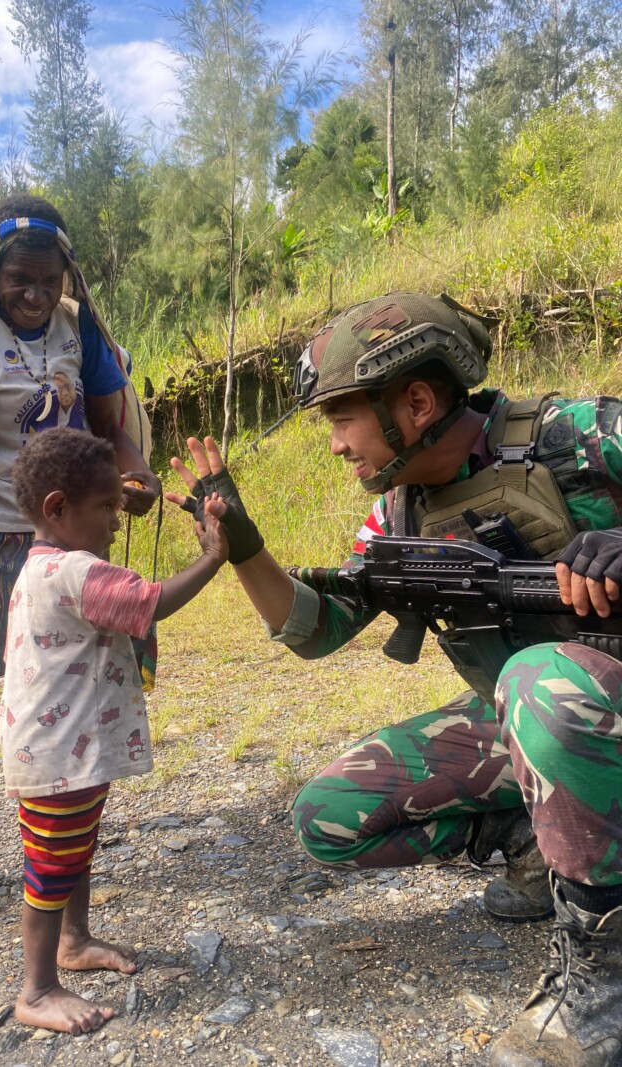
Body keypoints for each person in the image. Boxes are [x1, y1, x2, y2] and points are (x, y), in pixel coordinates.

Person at [168, 292, 622, 1067]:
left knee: (538, 682)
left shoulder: (576, 437)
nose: (337, 445)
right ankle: (540, 841)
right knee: (330, 814)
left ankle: (603, 990)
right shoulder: (399, 515)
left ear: (415, 403)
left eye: (343, 420)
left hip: (574, 703)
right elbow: (316, 626)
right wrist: (244, 548)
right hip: (537, 722)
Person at [0, 194, 161, 917]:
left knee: (82, 680)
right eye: (19, 279)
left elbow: (114, 424)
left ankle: (66, 833)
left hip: (70, 535)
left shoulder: (76, 328)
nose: (35, 294)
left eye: (48, 281)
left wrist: (135, 474)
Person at [1, 427, 226, 1034]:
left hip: (63, 750)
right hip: (57, 758)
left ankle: (73, 942)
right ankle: (38, 988)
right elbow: (150, 602)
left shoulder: (43, 565)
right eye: (105, 508)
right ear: (57, 508)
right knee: (51, 866)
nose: (116, 523)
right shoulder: (74, 572)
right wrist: (212, 557)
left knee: (74, 849)